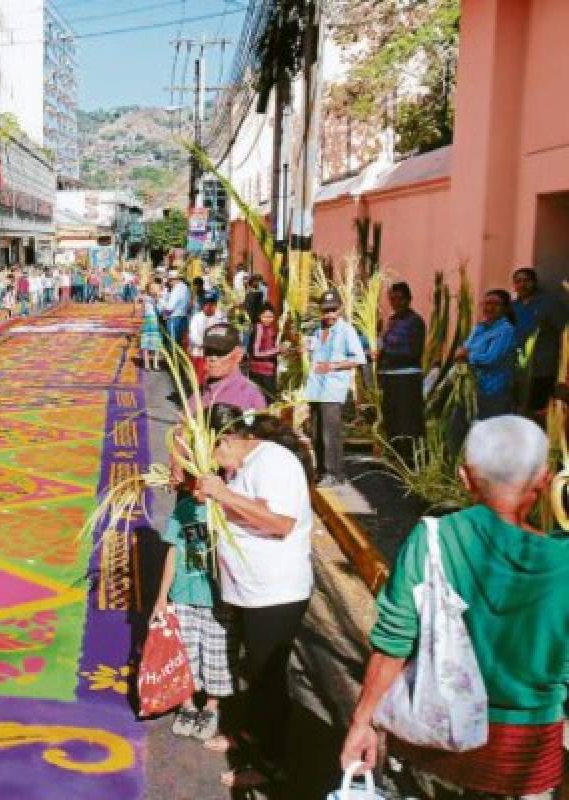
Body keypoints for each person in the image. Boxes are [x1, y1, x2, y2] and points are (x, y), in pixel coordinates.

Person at [341, 415, 569, 800]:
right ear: (545, 478)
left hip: (444, 732)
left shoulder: (433, 539)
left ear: (465, 477)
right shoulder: (561, 558)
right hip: (528, 744)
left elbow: (393, 643)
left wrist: (362, 722)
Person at [193, 404, 315, 791]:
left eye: (212, 452)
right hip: (248, 588)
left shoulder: (275, 463)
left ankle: (271, 762)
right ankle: (248, 735)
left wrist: (222, 494)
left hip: (275, 591)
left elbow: (279, 522)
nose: (214, 464)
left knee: (267, 677)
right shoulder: (242, 465)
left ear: (226, 440)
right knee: (251, 668)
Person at [151, 488, 237, 744]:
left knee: (217, 654)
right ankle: (187, 705)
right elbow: (173, 552)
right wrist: (162, 596)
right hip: (183, 596)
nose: (199, 491)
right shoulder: (184, 509)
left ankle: (211, 708)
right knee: (185, 652)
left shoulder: (227, 511)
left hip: (218, 600)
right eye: (195, 485)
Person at [305, 289, 367, 488]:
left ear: (339, 309)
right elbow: (312, 351)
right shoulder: (317, 330)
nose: (329, 315)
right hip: (315, 388)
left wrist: (333, 366)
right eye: (325, 311)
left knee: (329, 433)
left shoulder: (346, 330)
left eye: (333, 310)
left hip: (332, 389)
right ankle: (322, 470)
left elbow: (358, 358)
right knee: (315, 431)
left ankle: (334, 473)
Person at [377, 282, 426, 466]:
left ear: (408, 299)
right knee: (392, 418)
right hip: (390, 376)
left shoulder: (415, 321)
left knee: (408, 419)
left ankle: (411, 460)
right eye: (392, 299)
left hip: (406, 376)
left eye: (399, 299)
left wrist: (385, 350)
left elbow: (413, 351)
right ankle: (395, 457)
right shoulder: (393, 320)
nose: (395, 302)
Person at [510, 267, 566, 414]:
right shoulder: (512, 307)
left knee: (538, 410)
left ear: (534, 282)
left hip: (542, 369)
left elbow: (564, 331)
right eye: (518, 281)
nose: (522, 285)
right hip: (517, 370)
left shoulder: (550, 304)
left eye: (526, 281)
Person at [456, 289, 517, 420]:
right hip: (474, 389)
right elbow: (464, 349)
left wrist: (468, 356)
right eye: (487, 303)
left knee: (490, 431)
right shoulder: (479, 328)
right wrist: (464, 354)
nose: (490, 307)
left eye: (495, 304)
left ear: (505, 308)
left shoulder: (506, 330)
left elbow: (491, 359)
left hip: (494, 391)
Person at [197, 323, 267, 411]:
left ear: (238, 355)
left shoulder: (249, 395)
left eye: (220, 353)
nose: (212, 358)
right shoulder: (200, 390)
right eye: (208, 352)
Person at [187, 291, 226, 386]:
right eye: (207, 304)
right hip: (199, 353)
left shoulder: (220, 317)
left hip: (215, 354)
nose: (209, 307)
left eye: (212, 304)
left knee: (214, 379)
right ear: (203, 305)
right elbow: (193, 335)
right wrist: (205, 344)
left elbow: (224, 331)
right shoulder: (196, 318)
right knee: (198, 378)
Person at [247, 305, 280, 398]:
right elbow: (255, 353)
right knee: (265, 399)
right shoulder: (259, 328)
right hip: (260, 372)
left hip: (267, 371)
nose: (268, 319)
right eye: (265, 317)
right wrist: (277, 350)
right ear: (259, 316)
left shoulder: (270, 329)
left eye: (270, 317)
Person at [161, 270, 192, 349]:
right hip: (183, 318)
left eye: (169, 281)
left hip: (174, 319)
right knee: (180, 344)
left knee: (172, 344)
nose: (169, 283)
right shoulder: (185, 287)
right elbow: (189, 304)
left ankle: (173, 360)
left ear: (172, 280)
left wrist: (164, 316)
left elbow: (170, 307)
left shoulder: (176, 289)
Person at [139, 284, 162, 371]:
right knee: (146, 344)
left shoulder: (156, 299)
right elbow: (143, 309)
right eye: (152, 289)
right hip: (147, 321)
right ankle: (147, 364)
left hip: (154, 322)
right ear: (149, 290)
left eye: (155, 289)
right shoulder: (147, 298)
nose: (153, 290)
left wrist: (158, 297)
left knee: (155, 344)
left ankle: (155, 364)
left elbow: (158, 307)